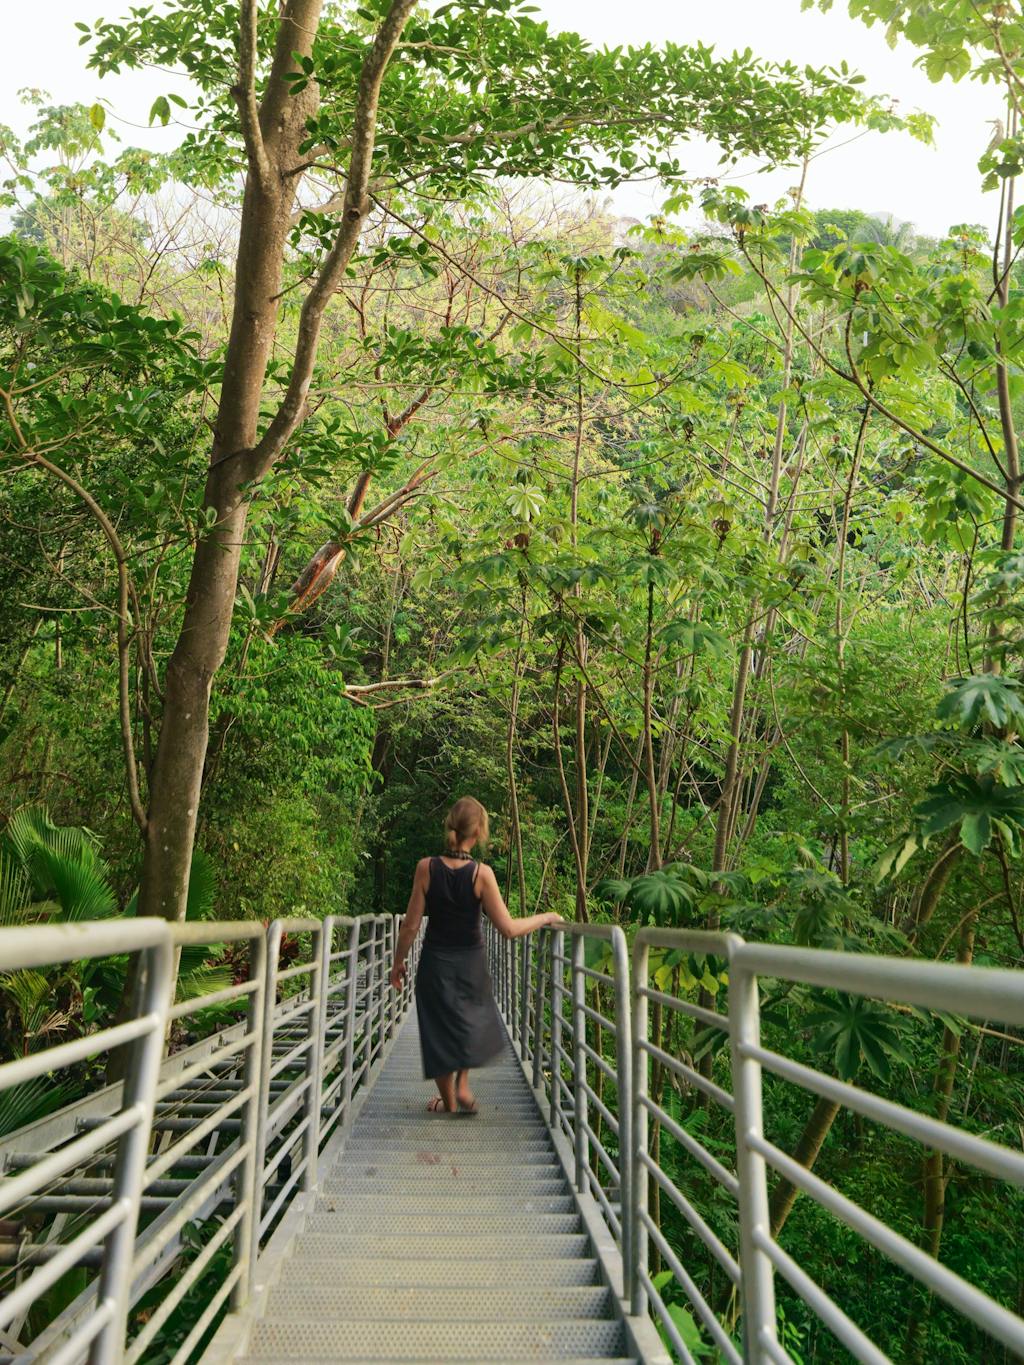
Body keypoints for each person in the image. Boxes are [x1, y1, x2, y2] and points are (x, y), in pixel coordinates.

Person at [389, 796, 562, 1114]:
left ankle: (451, 1102)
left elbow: (411, 925)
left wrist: (398, 962)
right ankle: (463, 1085)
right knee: (467, 1024)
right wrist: (545, 917)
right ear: (479, 832)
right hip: (470, 965)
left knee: (439, 1032)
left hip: (435, 964)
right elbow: (508, 929)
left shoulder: (426, 868)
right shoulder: (482, 874)